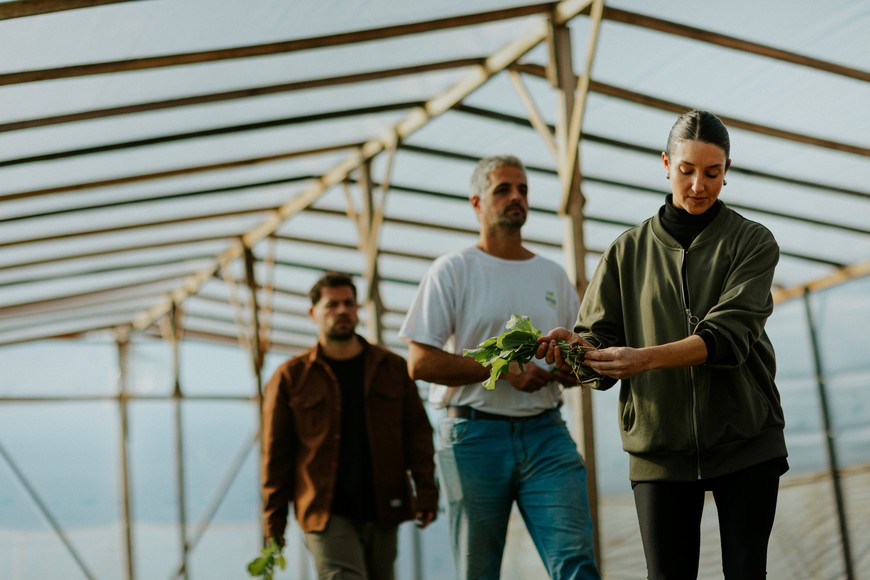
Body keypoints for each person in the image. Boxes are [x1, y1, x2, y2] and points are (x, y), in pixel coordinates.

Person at [537, 110, 789, 580]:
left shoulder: (753, 242)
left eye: (712, 173)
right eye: (687, 170)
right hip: (658, 446)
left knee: (746, 571)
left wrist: (644, 358)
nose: (698, 185)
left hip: (746, 440)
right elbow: (596, 344)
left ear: (726, 171)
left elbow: (729, 336)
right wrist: (575, 349)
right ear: (666, 164)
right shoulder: (624, 252)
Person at [399, 155, 600, 580]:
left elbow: (580, 357)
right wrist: (504, 370)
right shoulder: (452, 271)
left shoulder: (551, 274)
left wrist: (571, 368)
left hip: (546, 433)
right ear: (476, 203)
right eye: (504, 189)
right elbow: (419, 363)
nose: (516, 197)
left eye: (523, 189)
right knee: (479, 571)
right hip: (473, 436)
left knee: (576, 563)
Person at [260, 272, 438, 580]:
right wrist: (274, 522)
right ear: (313, 313)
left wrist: (426, 491)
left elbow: (418, 434)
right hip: (324, 510)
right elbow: (276, 453)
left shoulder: (392, 368)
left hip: (384, 506)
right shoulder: (291, 377)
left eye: (348, 304)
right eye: (332, 305)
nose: (342, 311)